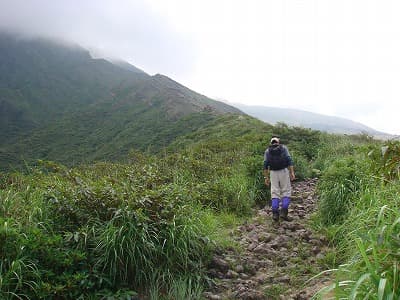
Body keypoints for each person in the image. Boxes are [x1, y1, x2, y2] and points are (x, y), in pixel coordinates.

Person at [263, 136, 295, 221]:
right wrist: (292, 172)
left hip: (273, 173)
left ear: (271, 143)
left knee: (274, 192)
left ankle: (275, 214)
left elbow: (265, 165)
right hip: (284, 171)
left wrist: (266, 178)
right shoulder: (284, 148)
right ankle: (284, 212)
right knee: (286, 191)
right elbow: (289, 160)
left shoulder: (267, 151)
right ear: (278, 142)